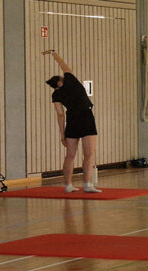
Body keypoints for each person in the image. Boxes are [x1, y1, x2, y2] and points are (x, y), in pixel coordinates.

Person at [43, 49, 100, 193]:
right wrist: (53, 53)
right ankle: (87, 184)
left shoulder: (56, 94)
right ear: (61, 80)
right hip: (86, 117)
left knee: (70, 155)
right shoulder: (71, 80)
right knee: (89, 154)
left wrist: (62, 134)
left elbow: (60, 114)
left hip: (72, 121)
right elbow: (63, 64)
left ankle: (68, 185)